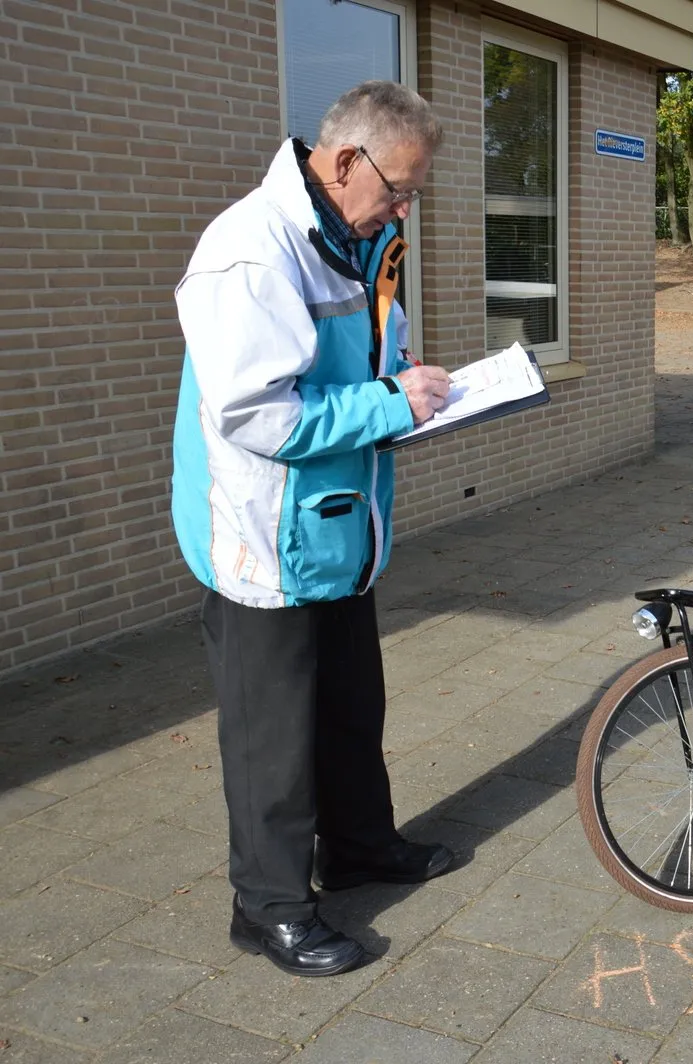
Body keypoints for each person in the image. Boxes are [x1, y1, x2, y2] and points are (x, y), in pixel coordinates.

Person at [171, 82, 456, 977]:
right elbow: (257, 415)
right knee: (274, 739)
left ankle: (361, 847)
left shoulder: (360, 237)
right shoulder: (250, 253)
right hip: (264, 542)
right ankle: (268, 907)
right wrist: (384, 402)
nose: (405, 207)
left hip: (338, 531)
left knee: (346, 709)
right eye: (400, 188)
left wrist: (404, 375)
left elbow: (368, 351)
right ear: (344, 163)